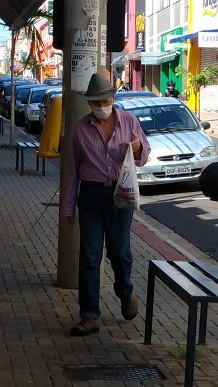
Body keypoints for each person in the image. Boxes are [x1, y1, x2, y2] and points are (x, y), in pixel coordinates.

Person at [61, 73, 151, 337]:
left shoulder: (129, 121)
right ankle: (89, 315)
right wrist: (67, 208)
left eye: (106, 100)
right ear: (89, 103)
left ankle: (126, 292)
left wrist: (136, 149)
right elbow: (71, 171)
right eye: (96, 102)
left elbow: (144, 154)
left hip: (120, 194)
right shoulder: (81, 129)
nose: (102, 106)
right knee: (89, 256)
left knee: (119, 252)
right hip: (90, 196)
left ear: (113, 99)